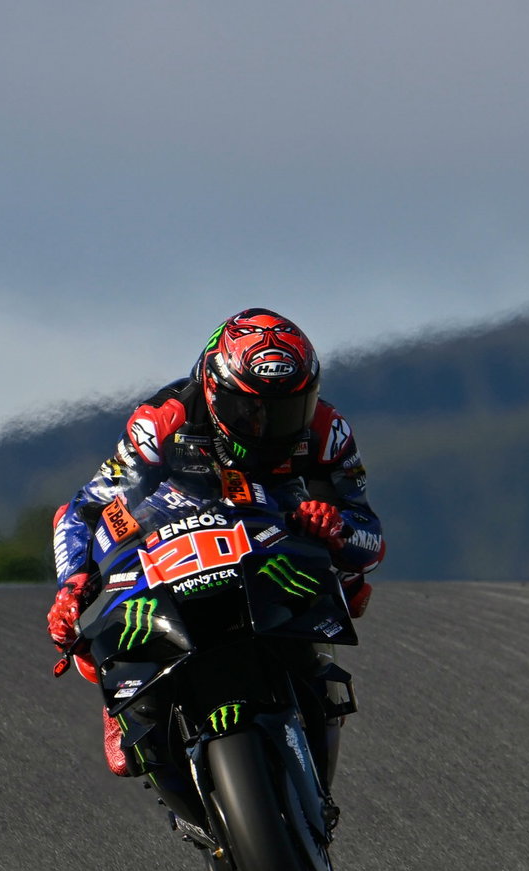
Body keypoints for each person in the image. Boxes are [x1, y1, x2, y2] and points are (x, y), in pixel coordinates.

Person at [45, 307, 385, 776]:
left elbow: (371, 533)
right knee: (99, 579)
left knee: (354, 586)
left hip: (277, 532)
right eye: (252, 410)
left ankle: (311, 684)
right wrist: (72, 584)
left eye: (288, 410)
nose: (268, 427)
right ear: (215, 388)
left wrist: (337, 527)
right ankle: (126, 687)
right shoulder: (163, 420)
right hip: (184, 528)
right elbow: (82, 509)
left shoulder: (328, 430)